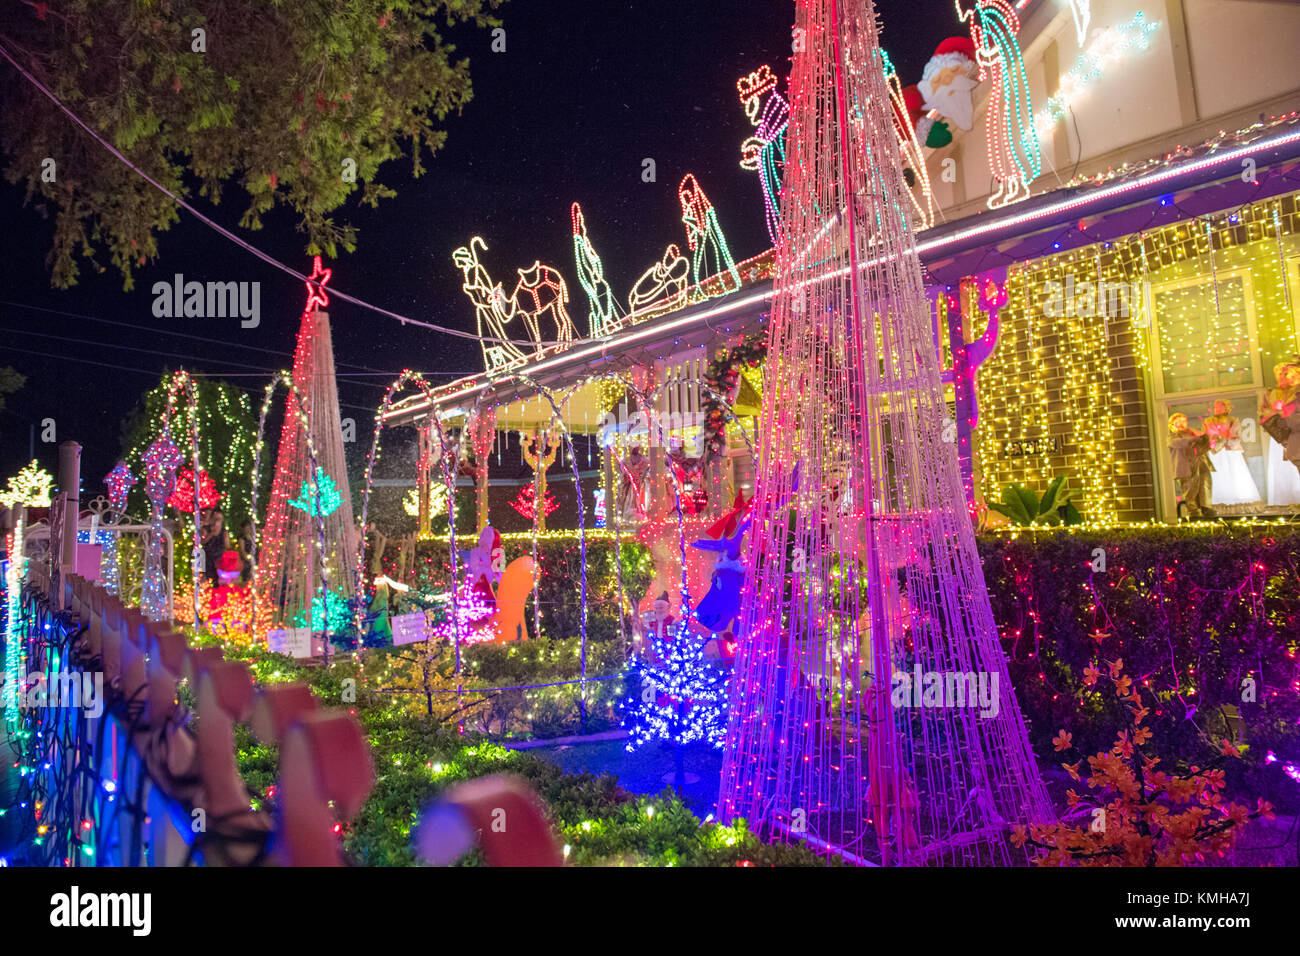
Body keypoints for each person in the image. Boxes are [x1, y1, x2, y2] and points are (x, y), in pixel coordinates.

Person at [1202, 400, 1260, 506]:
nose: (1217, 409)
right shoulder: (1208, 421)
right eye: (1215, 407)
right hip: (1215, 453)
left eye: (1220, 407)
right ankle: (1218, 502)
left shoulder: (1233, 420)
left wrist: (1224, 440)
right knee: (1217, 476)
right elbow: (1206, 436)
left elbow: (1235, 435)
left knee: (1235, 475)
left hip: (1230, 452)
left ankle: (1239, 502)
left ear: (1226, 408)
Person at [1261, 357, 1300, 506]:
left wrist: (1284, 414)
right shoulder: (1272, 393)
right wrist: (1273, 415)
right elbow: (1264, 412)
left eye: (1287, 374)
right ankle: (1285, 500)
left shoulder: (1295, 394)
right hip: (1280, 433)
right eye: (1281, 374)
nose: (1284, 377)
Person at [1168, 413, 1215, 519]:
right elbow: (1179, 444)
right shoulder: (1173, 437)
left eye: (1183, 421)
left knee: (1204, 484)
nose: (1181, 424)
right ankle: (1193, 511)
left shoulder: (1195, 433)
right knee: (1190, 488)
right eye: (1178, 422)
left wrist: (1206, 440)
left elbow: (1205, 445)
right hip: (1186, 466)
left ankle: (1205, 506)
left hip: (1200, 463)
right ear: (1173, 425)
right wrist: (1194, 440)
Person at [201, 509, 230, 584]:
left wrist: (226, 537)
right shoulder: (206, 529)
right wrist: (211, 534)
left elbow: (227, 546)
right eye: (215, 519)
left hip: (219, 560)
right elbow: (202, 542)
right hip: (207, 559)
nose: (217, 521)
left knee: (218, 581)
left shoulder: (224, 531)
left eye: (219, 519)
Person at [236, 518, 257, 582]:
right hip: (246, 561)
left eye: (249, 528)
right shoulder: (242, 538)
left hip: (254, 559)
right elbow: (242, 551)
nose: (248, 530)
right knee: (247, 578)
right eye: (246, 528)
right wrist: (250, 560)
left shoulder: (253, 537)